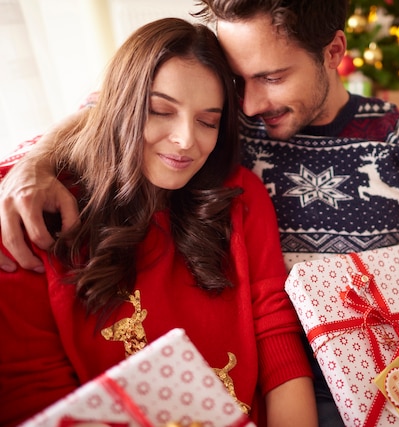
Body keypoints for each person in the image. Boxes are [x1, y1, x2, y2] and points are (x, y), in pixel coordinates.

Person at [0, 1, 399, 426]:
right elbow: (112, 112)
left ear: (334, 52)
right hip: (301, 392)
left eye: (272, 77)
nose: (251, 104)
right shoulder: (215, 127)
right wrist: (35, 166)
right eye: (238, 80)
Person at [0, 17, 317, 427]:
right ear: (117, 106)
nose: (186, 139)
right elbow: (35, 395)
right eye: (160, 111)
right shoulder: (34, 211)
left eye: (208, 121)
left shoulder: (240, 196)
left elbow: (276, 338)